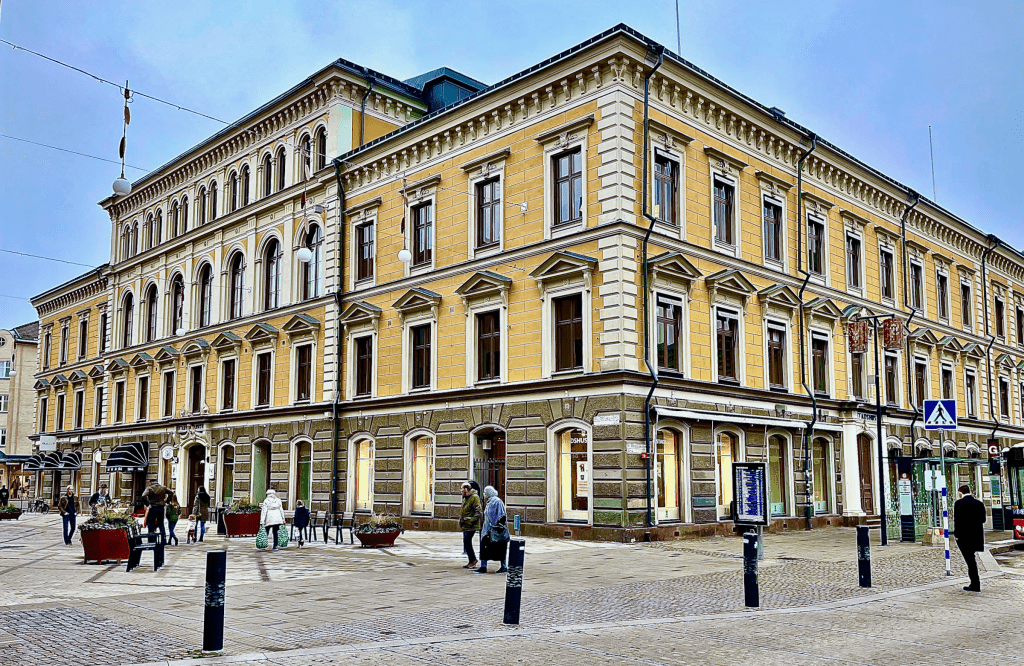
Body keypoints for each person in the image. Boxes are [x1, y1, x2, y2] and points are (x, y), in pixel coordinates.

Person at [952, 483, 987, 592]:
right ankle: (975, 583)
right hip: (976, 536)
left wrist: (956, 535)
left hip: (964, 537)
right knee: (972, 560)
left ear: (960, 493)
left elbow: (957, 521)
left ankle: (975, 584)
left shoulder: (959, 503)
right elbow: (983, 519)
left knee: (970, 561)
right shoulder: (979, 504)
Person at [476, 485, 508, 574]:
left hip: (495, 531)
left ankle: (503, 566)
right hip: (488, 530)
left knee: (499, 549)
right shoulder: (489, 502)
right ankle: (483, 566)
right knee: (484, 548)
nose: (484, 495)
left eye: (485, 493)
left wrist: (498, 526)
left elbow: (502, 515)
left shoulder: (497, 502)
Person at [459, 482, 483, 570]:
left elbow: (479, 512)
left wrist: (471, 520)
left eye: (462, 489)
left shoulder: (474, 497)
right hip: (466, 524)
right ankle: (471, 560)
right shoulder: (466, 498)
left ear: (466, 489)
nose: (461, 491)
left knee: (467, 540)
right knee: (466, 541)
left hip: (471, 525)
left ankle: (473, 560)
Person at [141, 479, 170, 544]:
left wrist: (147, 504)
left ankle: (151, 539)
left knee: (151, 524)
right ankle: (163, 539)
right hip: (161, 507)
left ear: (151, 482)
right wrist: (167, 501)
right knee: (161, 524)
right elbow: (171, 493)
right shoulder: (163, 488)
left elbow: (143, 496)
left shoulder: (150, 488)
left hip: (153, 507)